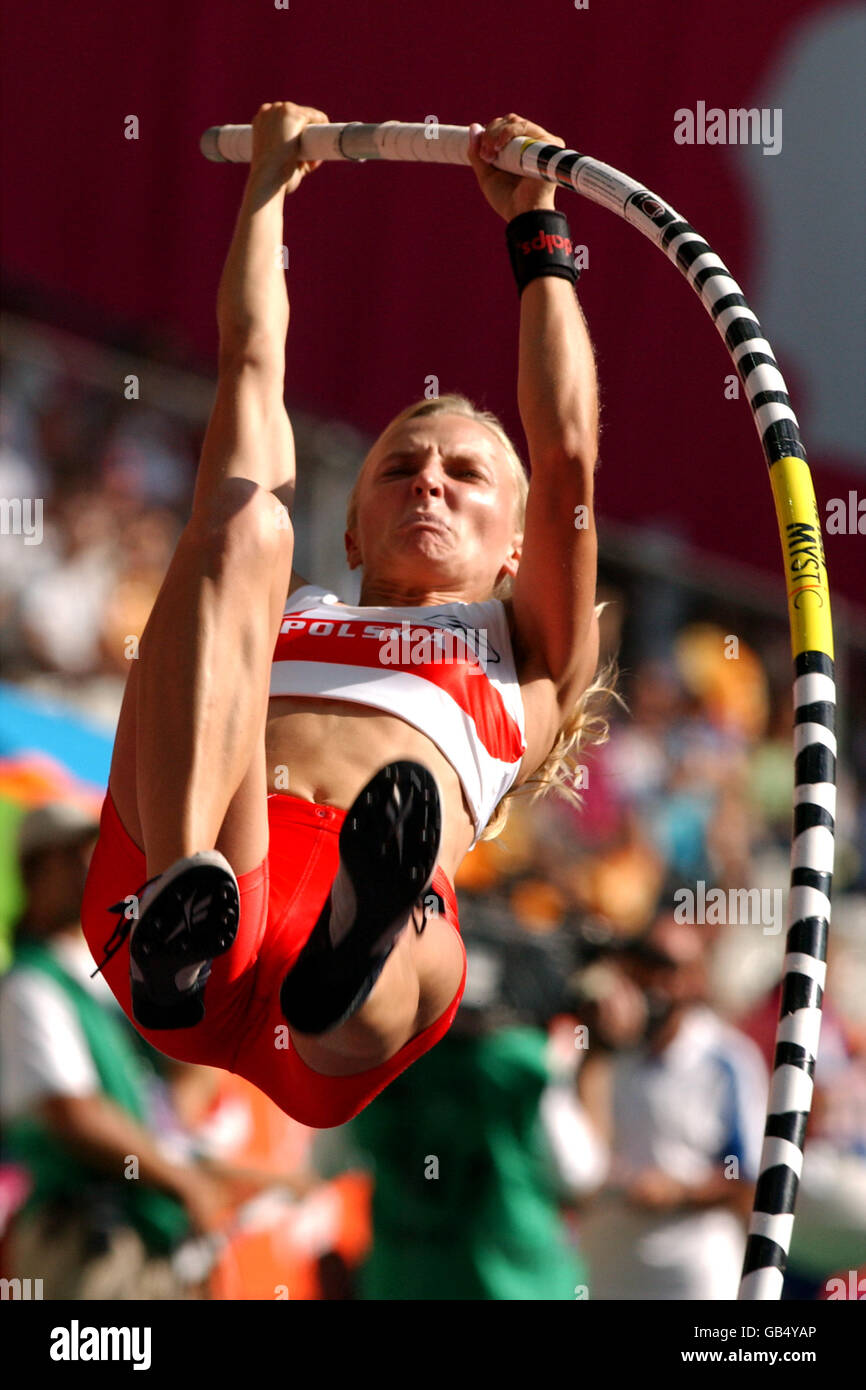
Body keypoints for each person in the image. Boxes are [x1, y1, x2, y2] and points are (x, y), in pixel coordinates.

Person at [80, 101, 610, 1132]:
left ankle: (356, 941)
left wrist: (536, 227)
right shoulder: (302, 602)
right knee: (243, 524)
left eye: (464, 474)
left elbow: (568, 450)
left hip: (353, 981)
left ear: (516, 546)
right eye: (401, 468)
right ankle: (186, 907)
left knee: (416, 945)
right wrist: (266, 190)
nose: (429, 484)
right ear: (356, 532)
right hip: (203, 871)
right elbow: (248, 366)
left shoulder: (525, 657)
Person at [0, 802, 226, 1299]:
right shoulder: (27, 987)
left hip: (143, 1236)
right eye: (78, 855)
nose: (94, 864)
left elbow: (185, 1083)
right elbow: (72, 1112)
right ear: (36, 872)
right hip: (86, 1242)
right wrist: (185, 1183)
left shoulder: (101, 981)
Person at [575, 912, 769, 1299]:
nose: (655, 982)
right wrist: (598, 1054)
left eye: (670, 968)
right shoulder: (596, 1047)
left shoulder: (727, 1059)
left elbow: (751, 1178)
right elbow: (577, 1158)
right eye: (644, 963)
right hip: (606, 1266)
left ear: (696, 979)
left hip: (691, 1274)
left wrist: (678, 1192)